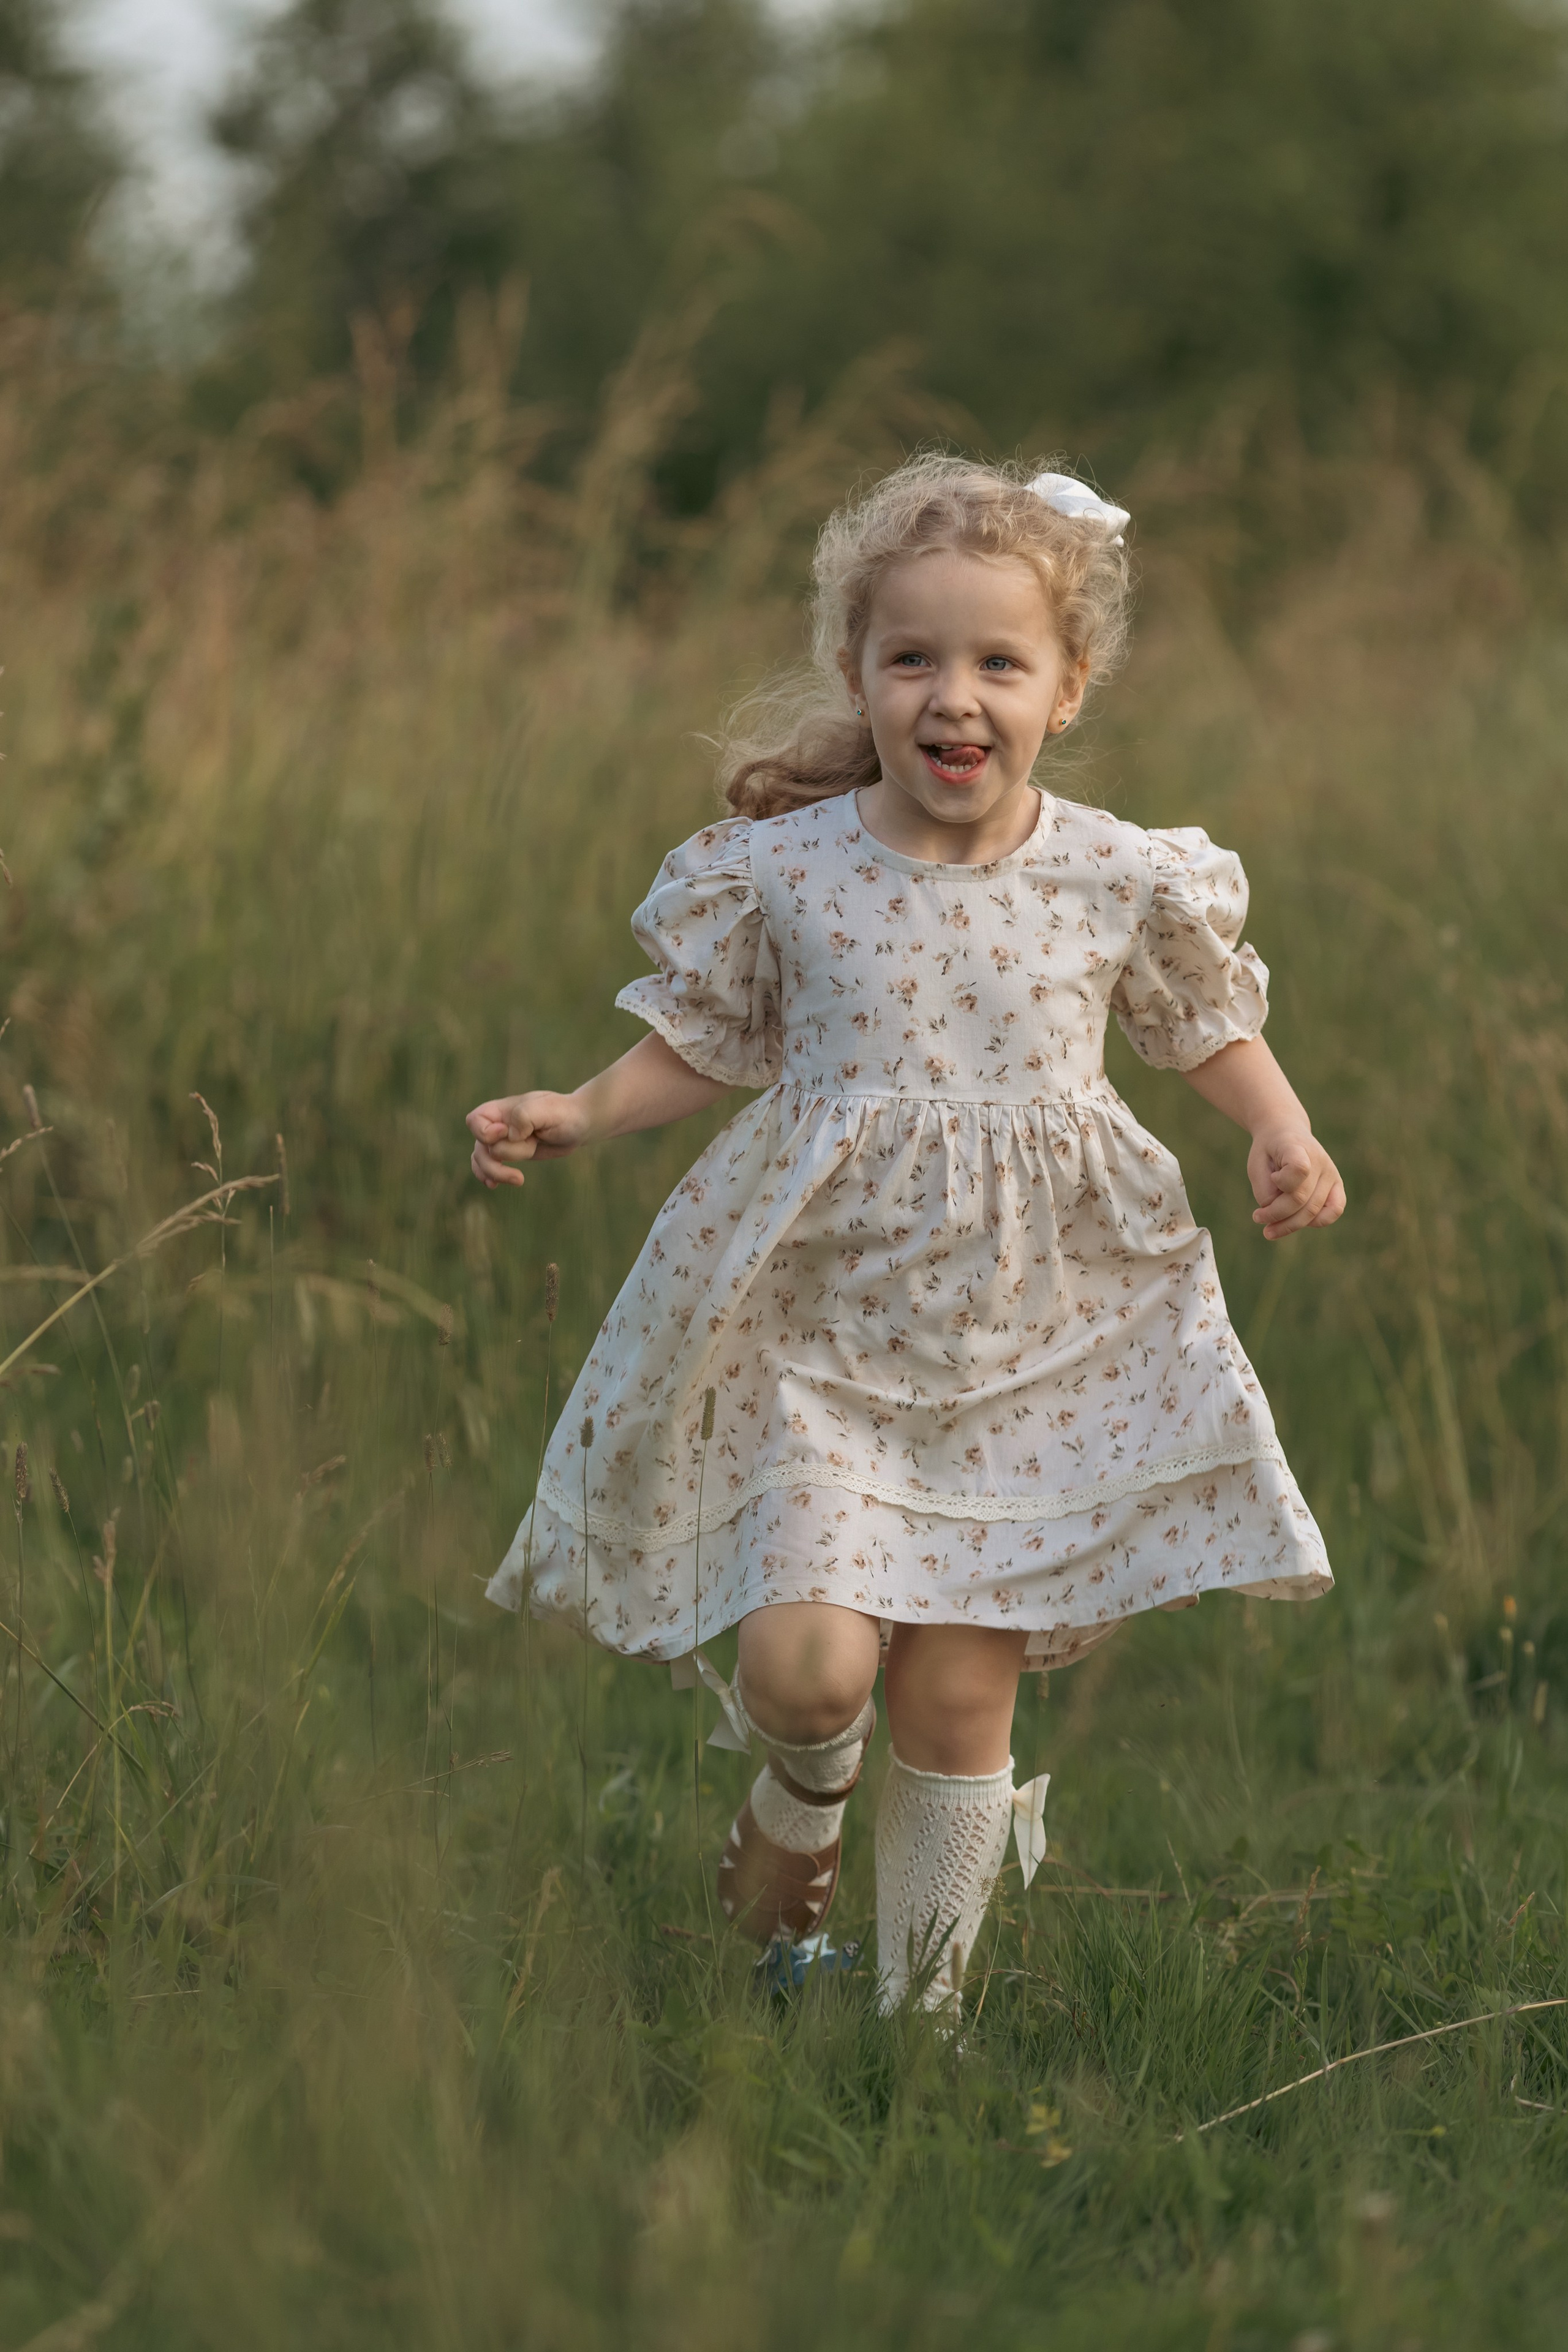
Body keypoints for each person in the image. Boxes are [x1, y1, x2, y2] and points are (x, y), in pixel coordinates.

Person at [469, 455, 1344, 2018]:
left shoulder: (1116, 873)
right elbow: (707, 1038)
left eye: (998, 663)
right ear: (859, 675)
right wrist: (582, 1112)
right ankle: (799, 1797)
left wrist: (1275, 1127)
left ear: (1064, 690)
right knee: (810, 1670)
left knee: (953, 1691)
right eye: (913, 659)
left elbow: (1196, 1020)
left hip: (1031, 1333)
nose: (955, 698)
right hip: (814, 1317)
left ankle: (910, 2031)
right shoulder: (782, 872)